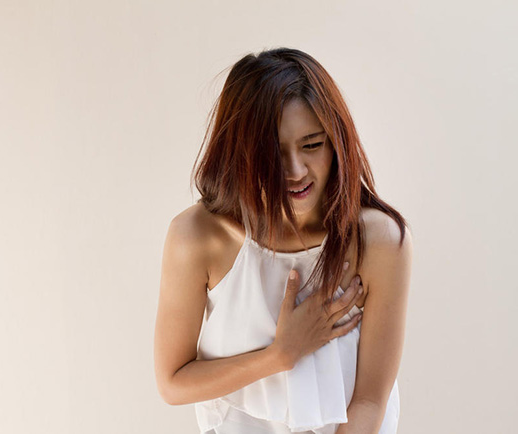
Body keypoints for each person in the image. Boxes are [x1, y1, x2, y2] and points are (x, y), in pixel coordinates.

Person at [153, 47, 412, 434]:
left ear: (336, 143)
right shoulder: (197, 236)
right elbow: (173, 382)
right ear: (240, 153)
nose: (295, 171)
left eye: (312, 145)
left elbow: (370, 401)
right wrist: (280, 355)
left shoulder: (379, 241)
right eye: (273, 153)